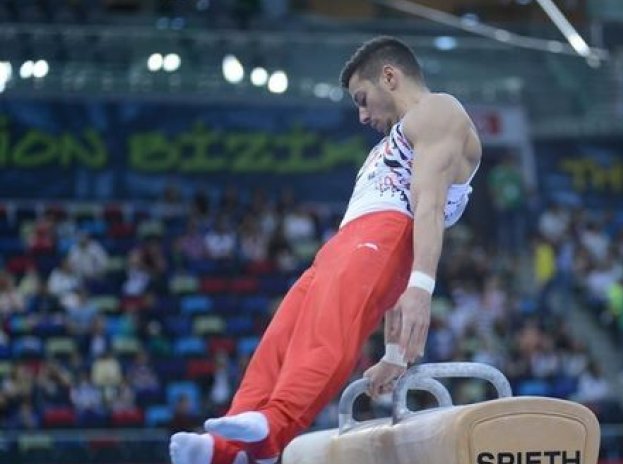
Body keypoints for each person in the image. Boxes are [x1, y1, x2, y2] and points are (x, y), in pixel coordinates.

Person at [169, 36, 482, 464]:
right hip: (346, 245)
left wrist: (421, 287)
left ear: (390, 76)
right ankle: (229, 448)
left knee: (326, 336)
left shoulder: (439, 111)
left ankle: (274, 428)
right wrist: (394, 354)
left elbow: (426, 206)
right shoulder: (393, 140)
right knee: (278, 341)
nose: (362, 114)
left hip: (385, 236)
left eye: (363, 98)